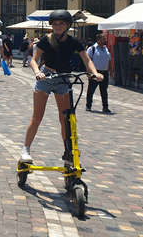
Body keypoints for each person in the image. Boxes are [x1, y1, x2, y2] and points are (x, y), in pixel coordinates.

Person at [19, 10, 103, 163]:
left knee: (65, 118)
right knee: (37, 116)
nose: (58, 26)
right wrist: (38, 72)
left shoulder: (74, 42)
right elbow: (34, 59)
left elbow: (87, 60)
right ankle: (26, 149)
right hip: (46, 77)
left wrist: (95, 73)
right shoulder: (46, 40)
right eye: (55, 24)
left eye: (61, 24)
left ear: (67, 25)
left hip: (64, 79)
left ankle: (68, 152)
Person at [85, 33, 114, 113]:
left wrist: (111, 71)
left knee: (104, 91)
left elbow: (109, 61)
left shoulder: (106, 49)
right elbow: (87, 61)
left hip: (104, 73)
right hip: (95, 72)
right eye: (104, 39)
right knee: (91, 90)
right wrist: (88, 73)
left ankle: (105, 107)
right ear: (98, 40)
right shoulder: (92, 49)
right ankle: (88, 105)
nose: (106, 40)